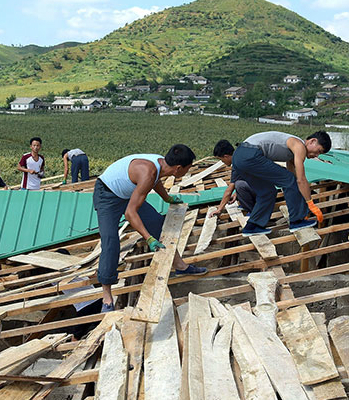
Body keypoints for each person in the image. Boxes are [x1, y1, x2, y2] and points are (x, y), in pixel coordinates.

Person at [94, 145, 208, 312]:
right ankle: (107, 297)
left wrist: (167, 198)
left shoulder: (159, 164)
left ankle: (180, 266)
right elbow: (130, 213)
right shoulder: (149, 172)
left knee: (157, 223)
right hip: (107, 195)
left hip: (127, 194)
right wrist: (148, 238)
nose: (188, 172)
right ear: (178, 169)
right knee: (110, 242)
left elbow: (155, 182)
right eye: (188, 169)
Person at [230, 131, 332, 236]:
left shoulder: (292, 152)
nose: (316, 155)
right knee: (289, 179)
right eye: (318, 151)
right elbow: (300, 180)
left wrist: (300, 205)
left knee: (267, 191)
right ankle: (297, 221)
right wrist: (310, 203)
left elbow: (294, 179)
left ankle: (252, 226)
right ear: (312, 141)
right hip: (250, 154)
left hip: (238, 157)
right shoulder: (299, 146)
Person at [207, 140, 258, 216]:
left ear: (226, 156)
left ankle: (253, 212)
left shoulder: (238, 162)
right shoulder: (241, 155)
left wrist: (219, 209)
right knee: (239, 185)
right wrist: (237, 194)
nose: (222, 162)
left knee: (239, 184)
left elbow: (229, 191)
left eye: (221, 159)